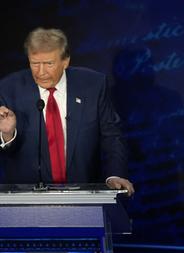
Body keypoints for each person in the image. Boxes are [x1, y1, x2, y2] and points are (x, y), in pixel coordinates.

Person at [0, 27, 134, 195]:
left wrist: (115, 175)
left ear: (65, 61)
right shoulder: (8, 88)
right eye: (35, 63)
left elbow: (112, 135)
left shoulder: (93, 85)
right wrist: (7, 134)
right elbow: (8, 151)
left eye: (49, 63)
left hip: (84, 195)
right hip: (27, 200)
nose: (41, 72)